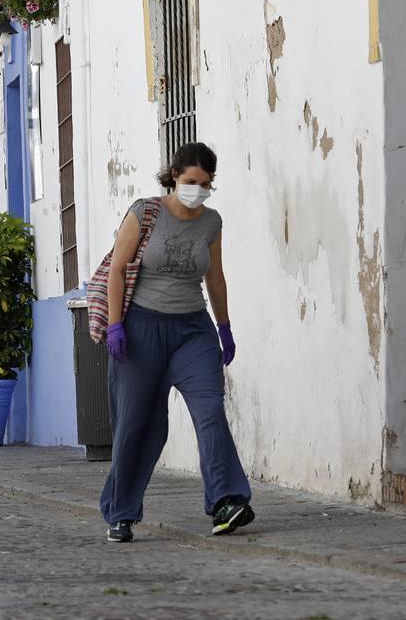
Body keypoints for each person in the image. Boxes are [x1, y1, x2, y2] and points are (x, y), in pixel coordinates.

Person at [99, 142, 253, 543]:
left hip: (193, 331)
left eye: (205, 184)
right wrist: (116, 326)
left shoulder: (211, 222)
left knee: (210, 410)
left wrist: (224, 326)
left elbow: (214, 277)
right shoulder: (144, 212)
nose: (197, 190)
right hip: (142, 330)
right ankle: (120, 512)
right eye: (190, 181)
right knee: (139, 426)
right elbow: (117, 270)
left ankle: (224, 500)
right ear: (174, 176)